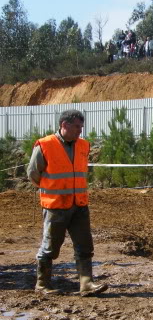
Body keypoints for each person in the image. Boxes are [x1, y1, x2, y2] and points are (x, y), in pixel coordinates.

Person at [27, 110, 108, 296]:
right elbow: (33, 174)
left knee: (84, 245)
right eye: (77, 126)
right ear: (64, 124)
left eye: (81, 126)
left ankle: (86, 283)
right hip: (55, 205)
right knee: (50, 246)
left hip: (79, 204)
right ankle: (42, 284)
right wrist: (51, 190)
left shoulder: (83, 145)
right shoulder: (45, 145)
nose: (80, 130)